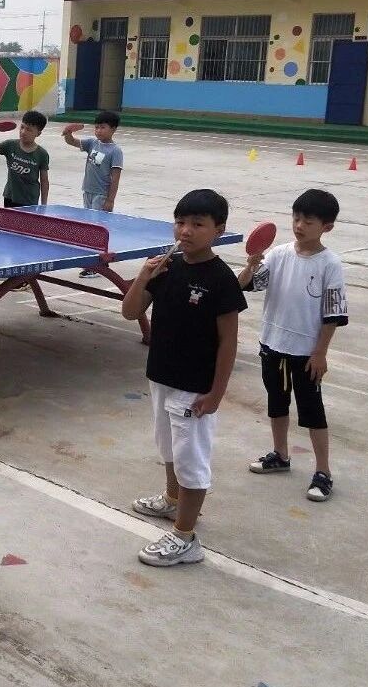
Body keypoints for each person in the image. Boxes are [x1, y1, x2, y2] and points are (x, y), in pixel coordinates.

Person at [120, 189, 247, 567]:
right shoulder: (166, 267)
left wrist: (217, 393)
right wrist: (143, 276)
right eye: (180, 222)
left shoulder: (221, 279)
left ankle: (185, 537)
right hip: (161, 376)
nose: (186, 231)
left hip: (194, 388)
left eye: (197, 224)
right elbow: (130, 312)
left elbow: (228, 342)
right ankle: (172, 501)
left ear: (219, 230)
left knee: (191, 460)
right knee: (169, 449)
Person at [238, 189, 349, 500]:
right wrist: (250, 265)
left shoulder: (330, 264)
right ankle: (280, 455)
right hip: (272, 344)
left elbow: (332, 314)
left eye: (308, 222)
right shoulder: (278, 254)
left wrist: (320, 353)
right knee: (276, 403)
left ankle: (323, 472)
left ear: (327, 226)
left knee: (313, 412)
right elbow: (245, 285)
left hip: (306, 353)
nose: (299, 226)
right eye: (296, 218)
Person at [63, 111, 123, 277]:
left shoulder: (115, 151)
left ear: (113, 129)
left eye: (102, 127)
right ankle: (93, 261)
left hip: (101, 195)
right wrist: (68, 133)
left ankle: (99, 264)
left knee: (98, 229)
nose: (98, 131)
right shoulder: (92, 143)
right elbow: (72, 141)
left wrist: (110, 200)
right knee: (90, 228)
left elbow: (115, 177)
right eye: (96, 127)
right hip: (87, 191)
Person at [0, 110, 49, 208]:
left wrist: (44, 205)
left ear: (38, 133)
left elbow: (44, 181)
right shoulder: (10, 145)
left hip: (29, 200)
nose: (23, 132)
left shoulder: (42, 154)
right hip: (10, 197)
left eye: (29, 130)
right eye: (22, 127)